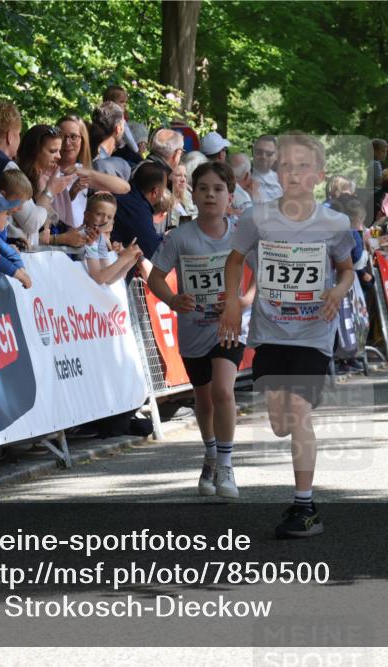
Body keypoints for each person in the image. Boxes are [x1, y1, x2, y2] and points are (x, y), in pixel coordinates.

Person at [219, 133, 356, 539]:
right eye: (286, 165)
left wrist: (337, 290)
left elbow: (347, 268)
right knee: (280, 423)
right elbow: (235, 258)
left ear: (317, 175)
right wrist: (230, 302)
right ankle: (302, 496)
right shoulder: (256, 217)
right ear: (277, 172)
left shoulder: (335, 223)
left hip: (314, 333)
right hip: (270, 331)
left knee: (298, 413)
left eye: (302, 166)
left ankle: (305, 505)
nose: (293, 172)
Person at [150, 162, 255, 500]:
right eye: (204, 188)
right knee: (204, 398)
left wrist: (240, 301)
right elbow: (154, 279)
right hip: (193, 329)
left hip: (229, 328)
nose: (211, 195)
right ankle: (210, 454)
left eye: (218, 189)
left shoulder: (242, 234)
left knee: (224, 390)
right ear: (192, 193)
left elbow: (265, 275)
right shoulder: (180, 237)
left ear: (231, 195)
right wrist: (173, 299)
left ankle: (225, 464)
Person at [80, 192, 143, 285]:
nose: (105, 220)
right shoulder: (87, 236)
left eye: (109, 217)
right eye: (99, 214)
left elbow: (108, 279)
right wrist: (124, 258)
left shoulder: (100, 238)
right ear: (87, 215)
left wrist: (130, 262)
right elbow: (98, 278)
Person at [113, 159, 168, 260]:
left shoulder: (125, 193)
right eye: (163, 189)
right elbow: (154, 251)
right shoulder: (138, 211)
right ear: (155, 192)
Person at [250, 134, 283, 203]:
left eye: (269, 154)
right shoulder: (244, 178)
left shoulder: (281, 179)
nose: (263, 157)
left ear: (276, 156)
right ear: (253, 152)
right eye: (259, 152)